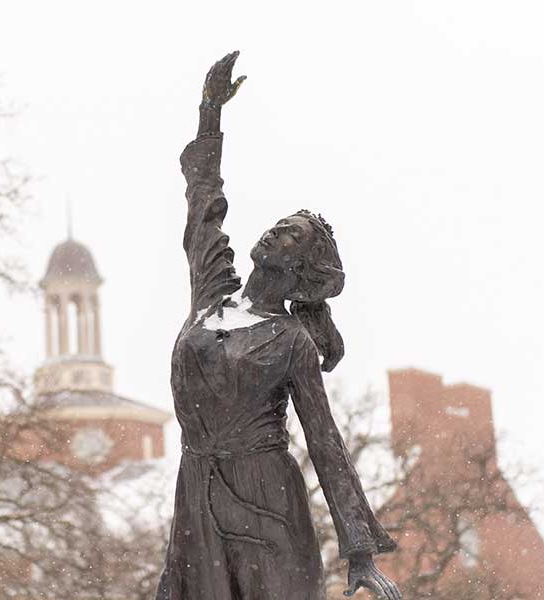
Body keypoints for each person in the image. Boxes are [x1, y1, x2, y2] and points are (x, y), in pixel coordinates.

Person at [155, 51, 401, 600]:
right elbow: (202, 208)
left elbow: (325, 441)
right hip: (196, 492)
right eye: (277, 225)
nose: (273, 233)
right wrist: (209, 116)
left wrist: (358, 554)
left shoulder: (291, 341)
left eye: (289, 235)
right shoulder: (211, 294)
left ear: (299, 270)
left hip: (266, 498)